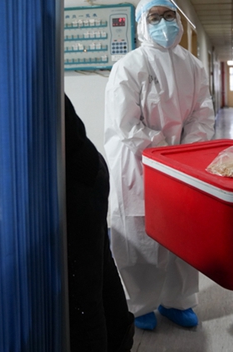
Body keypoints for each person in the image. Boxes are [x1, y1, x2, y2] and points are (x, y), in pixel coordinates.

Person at [104, 0, 215, 331]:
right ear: (142, 24)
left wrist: (186, 151)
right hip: (137, 165)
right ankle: (139, 305)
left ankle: (177, 301)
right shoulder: (129, 66)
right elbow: (126, 123)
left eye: (169, 16)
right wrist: (164, 151)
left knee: (182, 235)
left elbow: (202, 113)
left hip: (182, 165)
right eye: (154, 18)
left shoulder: (193, 65)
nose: (164, 24)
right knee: (139, 235)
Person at [65, 95, 134, 351]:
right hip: (87, 170)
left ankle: (117, 339)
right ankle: (120, 338)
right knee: (99, 268)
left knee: (84, 294)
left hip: (83, 179)